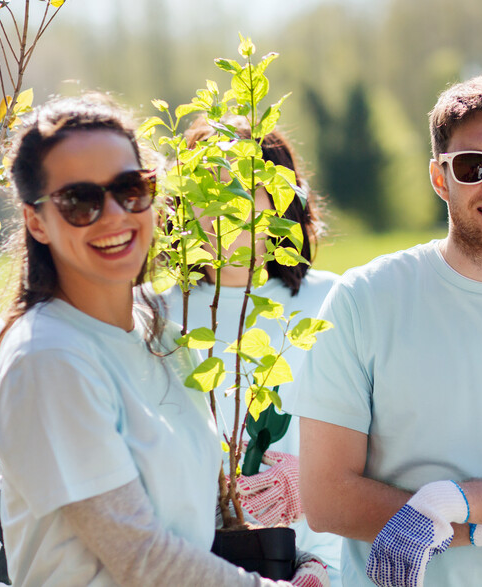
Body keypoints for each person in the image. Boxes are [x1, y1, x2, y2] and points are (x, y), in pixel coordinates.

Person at [283, 68, 482, 587]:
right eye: (472, 164)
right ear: (440, 178)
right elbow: (327, 498)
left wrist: (448, 507)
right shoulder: (363, 301)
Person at [0, 95, 327, 585]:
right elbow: (140, 557)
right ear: (36, 220)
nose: (114, 215)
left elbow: (189, 508)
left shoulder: (159, 330)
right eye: (80, 201)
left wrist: (293, 526)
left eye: (130, 188)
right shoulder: (48, 359)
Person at [158, 116, 343, 583]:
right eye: (206, 186)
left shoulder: (335, 303)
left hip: (318, 559)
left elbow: (381, 442)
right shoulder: (152, 315)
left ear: (281, 199)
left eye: (244, 185)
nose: (224, 205)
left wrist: (311, 486)